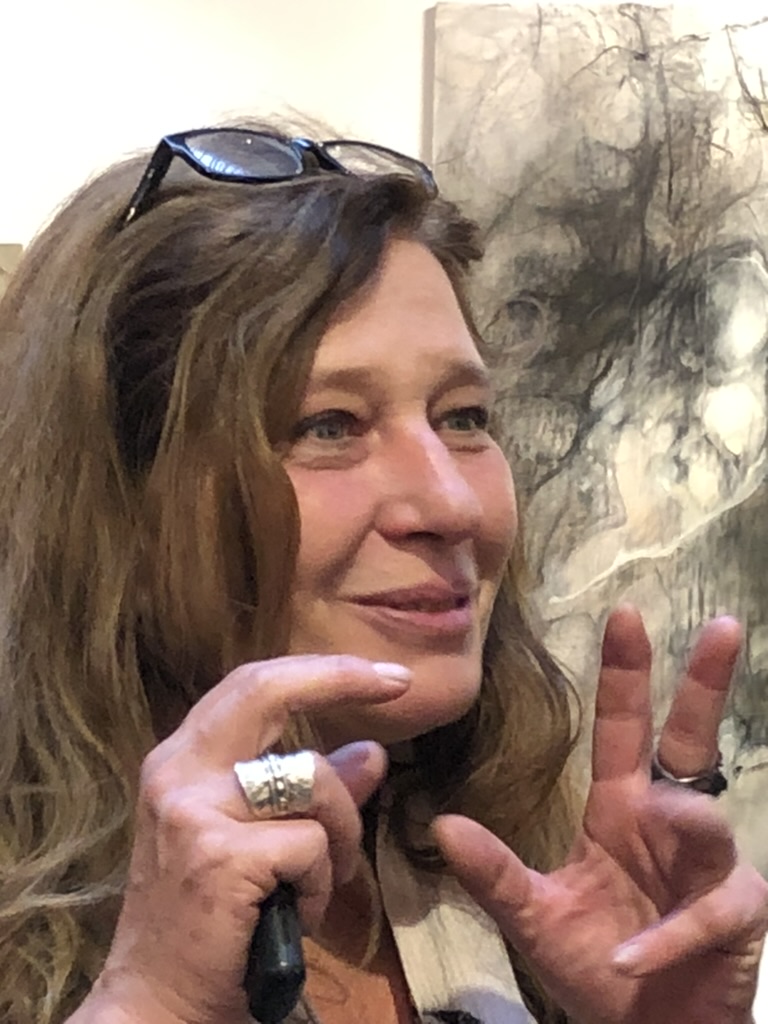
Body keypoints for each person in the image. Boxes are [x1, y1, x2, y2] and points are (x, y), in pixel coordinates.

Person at [0, 122, 765, 1024]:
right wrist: (152, 1002)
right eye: (328, 425)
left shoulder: (510, 869)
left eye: (464, 416)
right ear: (120, 499)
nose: (453, 503)